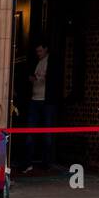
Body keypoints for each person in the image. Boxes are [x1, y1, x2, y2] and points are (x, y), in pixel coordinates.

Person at [23, 41, 58, 173]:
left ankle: (46, 163)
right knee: (30, 132)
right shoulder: (35, 62)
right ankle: (28, 162)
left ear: (46, 49)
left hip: (47, 101)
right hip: (34, 99)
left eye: (40, 51)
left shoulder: (52, 63)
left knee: (47, 133)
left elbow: (53, 80)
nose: (38, 54)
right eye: (37, 51)